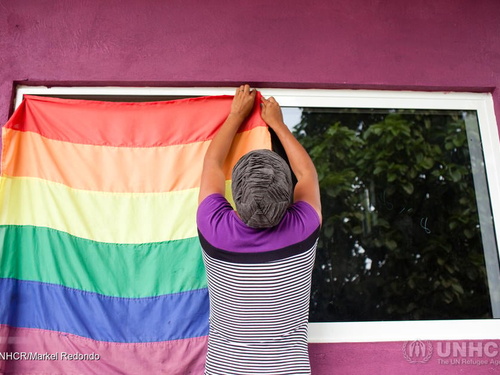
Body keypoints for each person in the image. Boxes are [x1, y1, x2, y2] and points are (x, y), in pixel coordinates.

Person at [197, 85, 322, 375]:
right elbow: (307, 174)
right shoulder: (303, 228)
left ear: (235, 198)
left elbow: (212, 164)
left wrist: (235, 116)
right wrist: (277, 124)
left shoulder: (215, 229)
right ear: (289, 194)